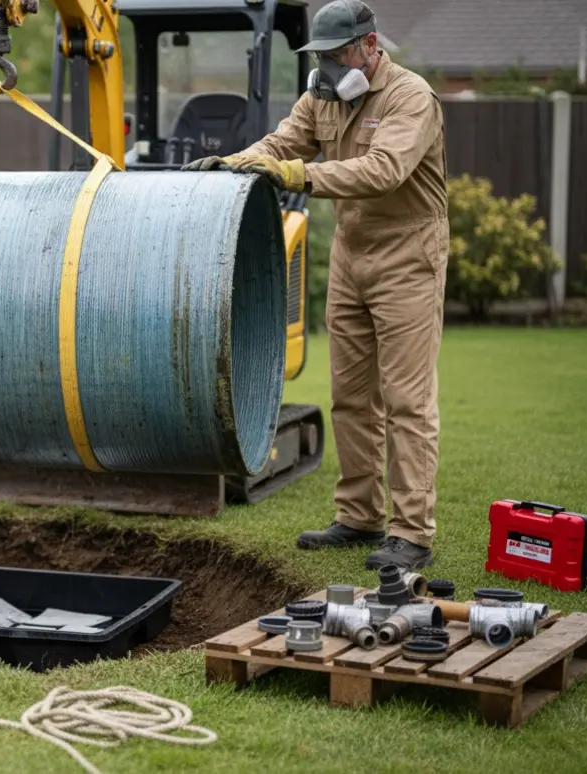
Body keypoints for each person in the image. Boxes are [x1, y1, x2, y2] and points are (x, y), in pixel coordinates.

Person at [184, 0, 448, 570]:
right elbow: (282, 145)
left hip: (408, 257)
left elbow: (383, 171)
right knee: (351, 396)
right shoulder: (323, 97)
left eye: (336, 54)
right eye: (320, 56)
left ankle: (412, 534)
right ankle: (359, 516)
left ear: (370, 48)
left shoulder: (410, 98)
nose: (326, 66)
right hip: (353, 256)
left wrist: (297, 174)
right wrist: (234, 163)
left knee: (407, 401)